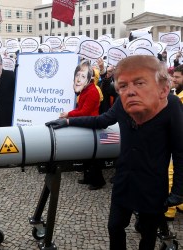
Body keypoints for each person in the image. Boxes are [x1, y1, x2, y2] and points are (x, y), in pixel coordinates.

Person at [45, 55, 183, 250]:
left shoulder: (171, 104)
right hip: (124, 180)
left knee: (148, 234)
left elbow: (180, 151)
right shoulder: (123, 101)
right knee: (115, 226)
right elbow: (101, 120)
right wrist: (68, 121)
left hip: (152, 184)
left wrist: (178, 190)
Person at [60, 61, 105, 190]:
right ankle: (88, 177)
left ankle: (98, 181)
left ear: (89, 77)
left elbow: (84, 111)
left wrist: (68, 114)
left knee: (93, 156)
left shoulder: (92, 91)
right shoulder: (85, 89)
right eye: (77, 75)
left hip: (91, 124)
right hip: (86, 124)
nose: (79, 79)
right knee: (87, 154)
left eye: (83, 76)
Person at [165, 64, 183, 221]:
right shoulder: (177, 94)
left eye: (177, 77)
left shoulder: (179, 98)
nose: (174, 79)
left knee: (171, 173)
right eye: (173, 76)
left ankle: (169, 210)